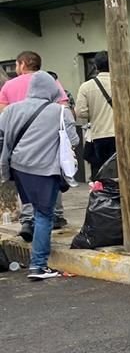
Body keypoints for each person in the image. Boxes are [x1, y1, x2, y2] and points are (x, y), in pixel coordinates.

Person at [0, 72, 80, 281]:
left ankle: (36, 254)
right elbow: (74, 140)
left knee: (35, 211)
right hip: (45, 170)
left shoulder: (10, 110)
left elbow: (3, 138)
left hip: (18, 169)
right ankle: (38, 265)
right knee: (45, 215)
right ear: (51, 89)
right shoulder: (60, 112)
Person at [0, 51, 71, 239]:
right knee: (51, 184)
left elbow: (3, 117)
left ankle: (28, 220)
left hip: (19, 150)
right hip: (47, 146)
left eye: (16, 65)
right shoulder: (51, 82)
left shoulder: (9, 85)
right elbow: (64, 106)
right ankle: (55, 216)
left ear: (22, 64)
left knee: (26, 191)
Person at [75, 51, 130, 177]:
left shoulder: (86, 87)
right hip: (123, 135)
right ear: (113, 65)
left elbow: (80, 112)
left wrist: (94, 112)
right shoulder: (123, 83)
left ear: (95, 66)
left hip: (100, 135)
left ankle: (105, 194)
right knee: (124, 172)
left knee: (104, 173)